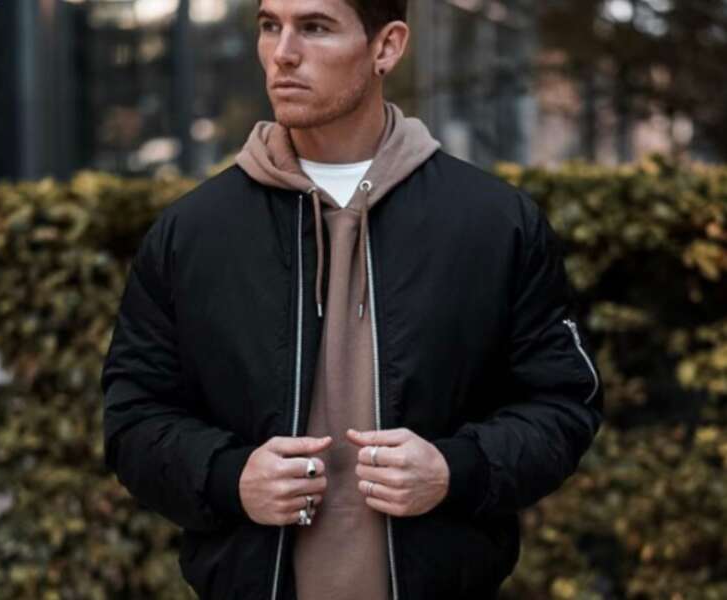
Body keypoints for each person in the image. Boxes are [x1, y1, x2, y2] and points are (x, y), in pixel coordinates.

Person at [100, 1, 605, 599]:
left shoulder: (494, 224)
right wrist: (228, 476)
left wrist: (454, 469)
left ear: (386, 47)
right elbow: (134, 417)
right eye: (269, 26)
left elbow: (562, 403)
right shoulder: (193, 233)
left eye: (314, 28)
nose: (283, 53)